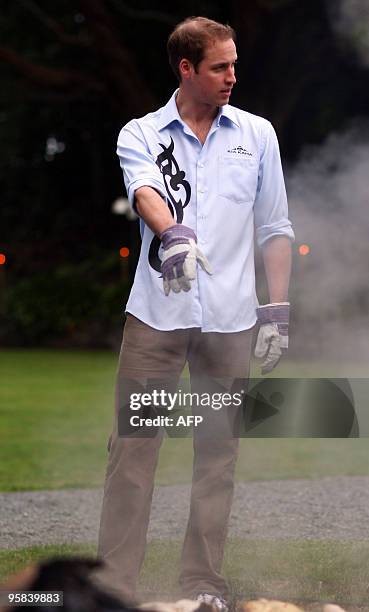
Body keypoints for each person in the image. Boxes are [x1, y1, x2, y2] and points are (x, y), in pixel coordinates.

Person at [97, 16, 294, 611]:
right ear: (186, 69)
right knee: (133, 451)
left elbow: (276, 226)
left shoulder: (257, 135)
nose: (233, 76)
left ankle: (203, 586)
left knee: (219, 455)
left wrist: (278, 309)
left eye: (234, 64)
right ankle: (113, 588)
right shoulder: (142, 132)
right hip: (157, 317)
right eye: (220, 66)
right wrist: (173, 234)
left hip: (232, 322)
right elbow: (145, 192)